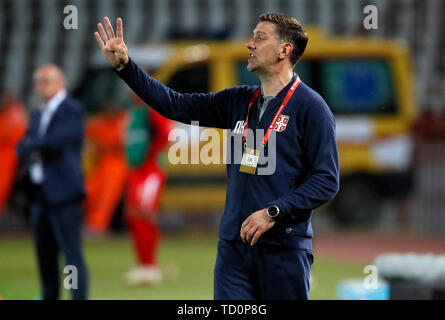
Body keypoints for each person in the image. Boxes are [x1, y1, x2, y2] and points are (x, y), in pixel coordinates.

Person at [94, 13, 339, 300]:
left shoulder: (312, 108)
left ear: (285, 50)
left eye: (260, 38)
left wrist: (274, 212)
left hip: (283, 248)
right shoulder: (238, 101)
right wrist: (126, 68)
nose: (250, 44)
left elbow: (326, 180)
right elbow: (176, 104)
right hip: (233, 249)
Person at [16, 64, 88, 300]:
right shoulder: (39, 112)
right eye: (38, 82)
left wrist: (34, 145)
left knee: (71, 253)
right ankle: (49, 295)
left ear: (60, 82)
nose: (41, 87)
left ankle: (78, 297)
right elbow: (23, 147)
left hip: (64, 192)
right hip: (40, 194)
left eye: (46, 81)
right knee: (44, 254)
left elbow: (55, 142)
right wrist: (34, 145)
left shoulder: (71, 109)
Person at [123, 91, 173, 286]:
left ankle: (150, 267)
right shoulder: (134, 111)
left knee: (145, 213)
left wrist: (151, 154)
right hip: (137, 170)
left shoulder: (151, 108)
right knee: (134, 215)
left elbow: (166, 134)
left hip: (150, 169)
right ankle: (143, 264)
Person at [84, 101, 128, 234]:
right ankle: (91, 223)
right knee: (90, 192)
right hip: (102, 164)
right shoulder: (102, 123)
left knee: (106, 196)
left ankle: (98, 225)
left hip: (117, 164)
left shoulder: (123, 122)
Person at [0, 89, 27, 218]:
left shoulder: (15, 112)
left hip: (8, 156)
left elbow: (15, 133)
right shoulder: (7, 113)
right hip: (5, 155)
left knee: (2, 187)